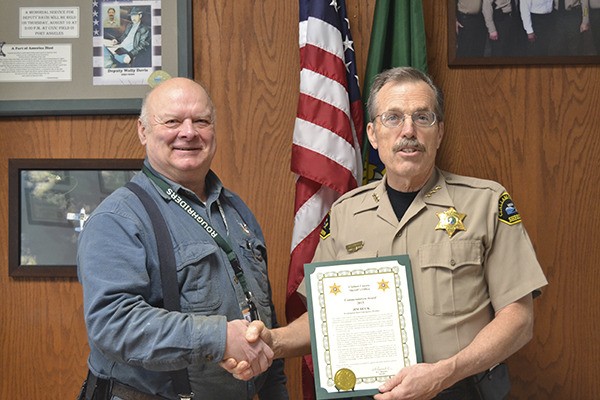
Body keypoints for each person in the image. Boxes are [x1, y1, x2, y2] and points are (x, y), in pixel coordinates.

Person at [223, 67, 548, 400]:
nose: (408, 130)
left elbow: (519, 319)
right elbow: (325, 319)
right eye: (392, 118)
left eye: (423, 118)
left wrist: (443, 374)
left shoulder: (486, 203)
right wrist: (273, 343)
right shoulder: (345, 214)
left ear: (439, 134)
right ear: (373, 135)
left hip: (461, 391)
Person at [77, 77, 288, 399]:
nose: (188, 132)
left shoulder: (236, 210)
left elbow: (261, 313)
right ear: (143, 131)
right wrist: (218, 337)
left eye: (201, 121)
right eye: (172, 121)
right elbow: (112, 324)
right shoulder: (118, 218)